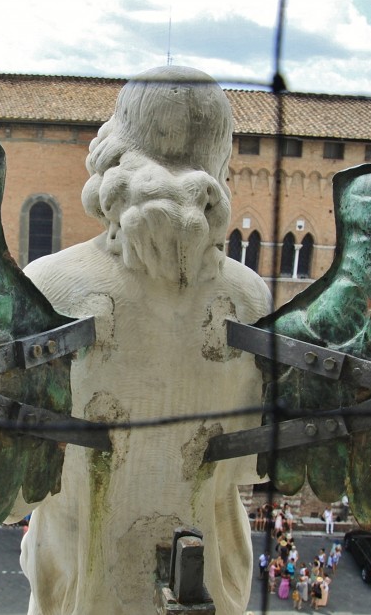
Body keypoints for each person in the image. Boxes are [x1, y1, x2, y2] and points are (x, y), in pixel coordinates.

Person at [15, 66, 271, 615]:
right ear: (220, 161)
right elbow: (249, 467)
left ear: (113, 150)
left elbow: (15, 486)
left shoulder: (48, 285)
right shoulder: (249, 298)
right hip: (208, 586)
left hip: (82, 593)